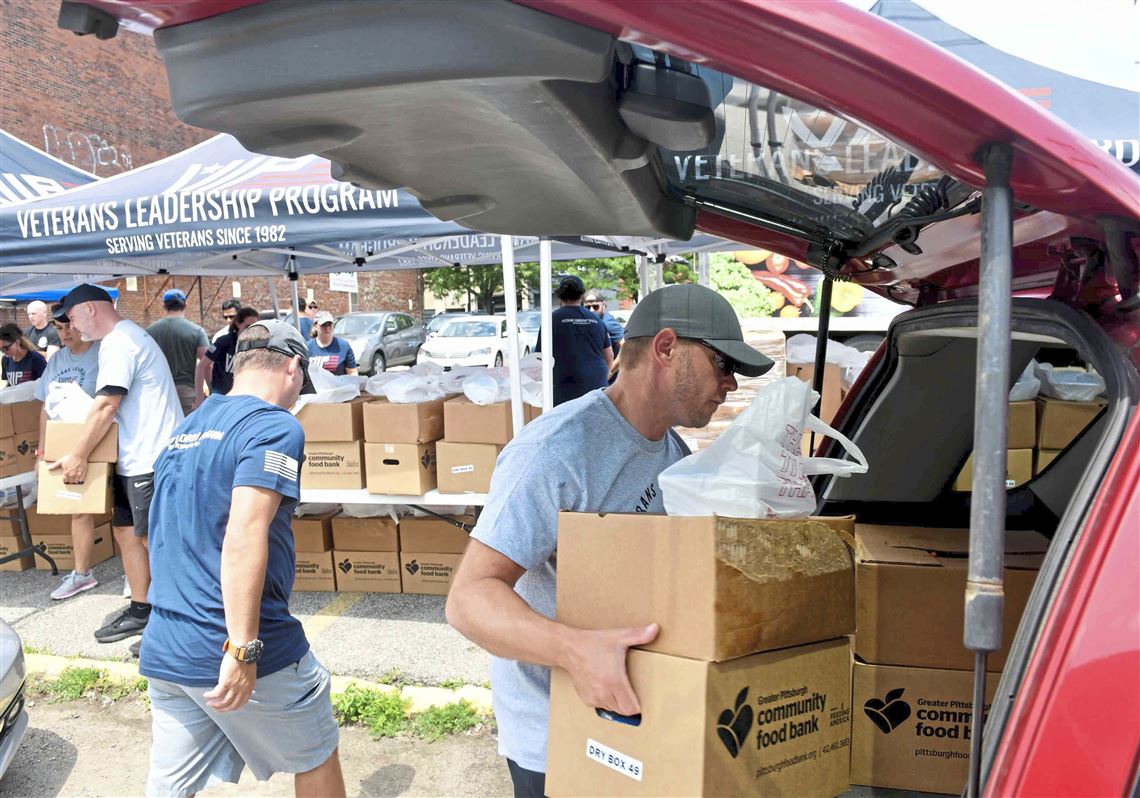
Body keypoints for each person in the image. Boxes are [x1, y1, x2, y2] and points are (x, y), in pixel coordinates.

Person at [446, 284, 774, 797]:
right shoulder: (556, 451)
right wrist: (575, 650)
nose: (731, 383)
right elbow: (468, 601)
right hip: (557, 738)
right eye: (723, 363)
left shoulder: (672, 452)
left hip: (635, 723)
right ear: (666, 348)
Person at [140, 320, 345, 798]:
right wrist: (242, 647)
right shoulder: (274, 426)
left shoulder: (188, 427)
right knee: (314, 754)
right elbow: (245, 533)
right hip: (234, 643)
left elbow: (158, 530)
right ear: (294, 366)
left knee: (170, 787)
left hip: (168, 645)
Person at [48, 284, 183, 646]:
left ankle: (172, 623)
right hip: (134, 457)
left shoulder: (120, 343)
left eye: (73, 317)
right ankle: (143, 609)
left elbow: (108, 404)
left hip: (151, 458)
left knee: (152, 540)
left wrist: (77, 454)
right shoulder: (121, 340)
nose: (72, 327)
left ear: (91, 309)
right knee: (126, 533)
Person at [34, 304, 102, 600]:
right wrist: (41, 450)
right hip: (66, 441)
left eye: (67, 327)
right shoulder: (57, 359)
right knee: (79, 508)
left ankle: (135, 572)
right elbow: (45, 407)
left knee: (123, 514)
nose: (63, 334)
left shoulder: (101, 353)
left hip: (102, 437)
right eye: (59, 328)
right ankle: (83, 574)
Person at [536, 276, 612, 406]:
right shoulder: (597, 320)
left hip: (566, 388)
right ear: (581, 294)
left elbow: (539, 357)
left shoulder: (551, 320)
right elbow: (609, 355)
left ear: (560, 295)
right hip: (597, 385)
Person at [147, 288, 211, 415]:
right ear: (185, 304)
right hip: (187, 393)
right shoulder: (196, 331)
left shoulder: (150, 331)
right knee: (188, 432)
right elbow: (207, 364)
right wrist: (211, 389)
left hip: (159, 392)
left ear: (164, 306)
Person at [206, 307, 260, 395]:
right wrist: (210, 387)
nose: (251, 330)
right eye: (247, 326)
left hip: (244, 392)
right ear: (238, 323)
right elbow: (203, 365)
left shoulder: (256, 345)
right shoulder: (223, 341)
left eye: (255, 327)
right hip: (222, 392)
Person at [307, 311, 357, 375]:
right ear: (315, 326)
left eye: (329, 324)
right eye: (324, 325)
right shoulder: (307, 347)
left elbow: (352, 372)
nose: (327, 328)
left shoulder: (343, 346)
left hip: (338, 384)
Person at [584, 291, 625, 357]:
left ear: (603, 305)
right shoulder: (588, 322)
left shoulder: (608, 323)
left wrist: (611, 366)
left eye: (595, 306)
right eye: (587, 307)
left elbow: (625, 345)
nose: (591, 310)